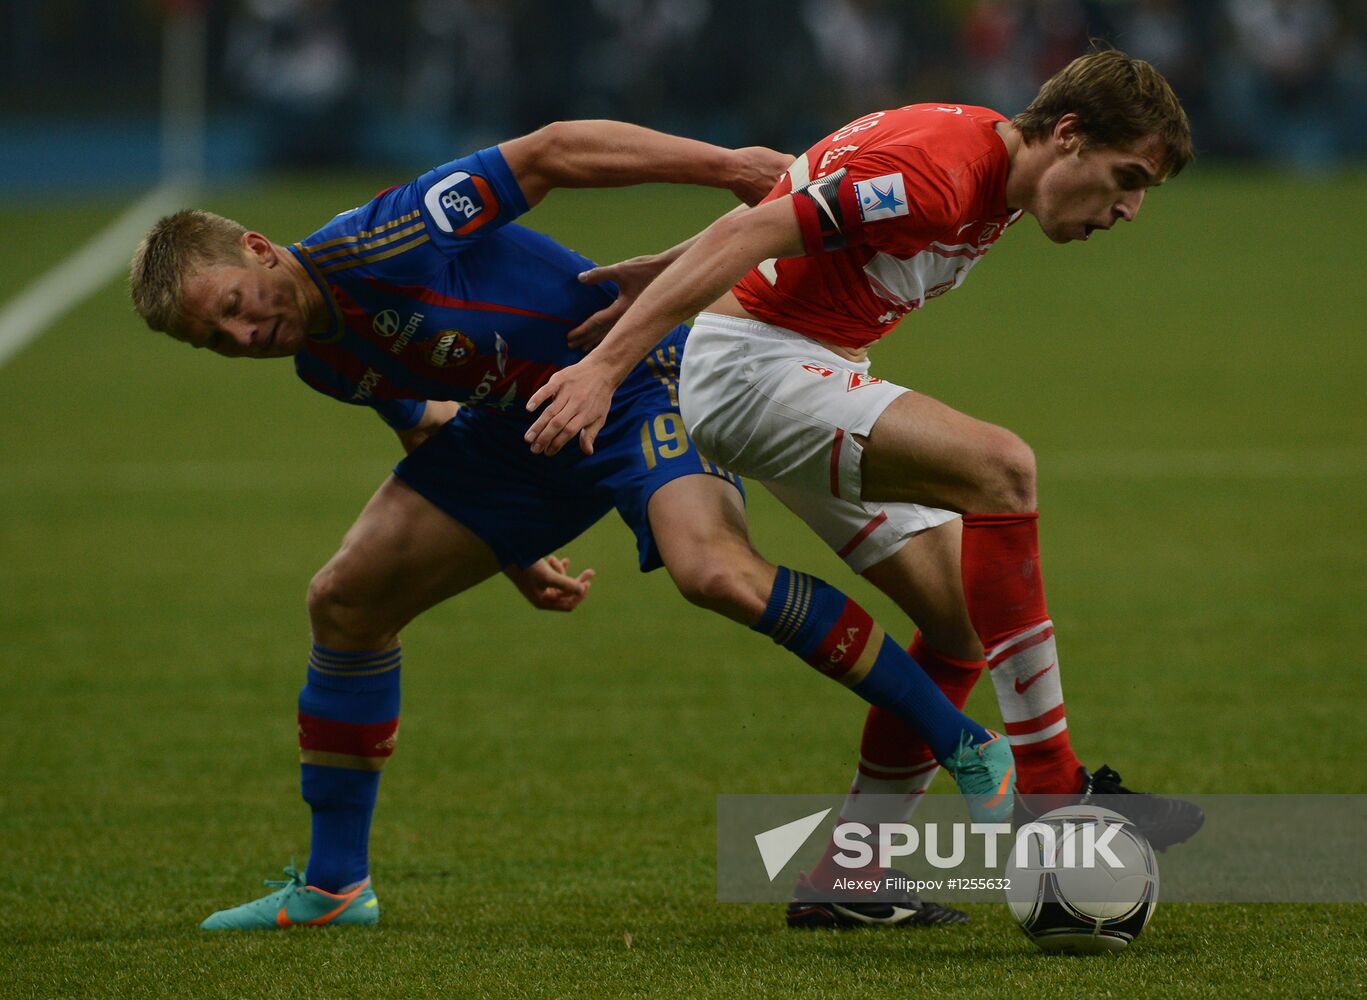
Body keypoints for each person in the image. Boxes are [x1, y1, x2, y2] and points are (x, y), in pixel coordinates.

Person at [129, 119, 1015, 931]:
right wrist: (508, 549)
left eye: (237, 306)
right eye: (219, 340)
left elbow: (549, 152)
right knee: (346, 601)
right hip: (523, 433)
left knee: (712, 571)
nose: (246, 336)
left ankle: (964, 742)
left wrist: (725, 166)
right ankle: (333, 889)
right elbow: (420, 423)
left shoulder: (382, 238)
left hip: (639, 383)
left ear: (258, 247)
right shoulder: (317, 360)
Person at [522, 50, 1206, 927]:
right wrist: (605, 368)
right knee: (1003, 469)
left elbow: (786, 205)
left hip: (795, 366)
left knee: (961, 619)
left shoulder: (975, 161)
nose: (1125, 210)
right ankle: (1051, 788)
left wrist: (658, 268)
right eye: (1124, 178)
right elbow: (748, 233)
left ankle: (852, 872)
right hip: (756, 372)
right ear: (1067, 135)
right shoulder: (939, 174)